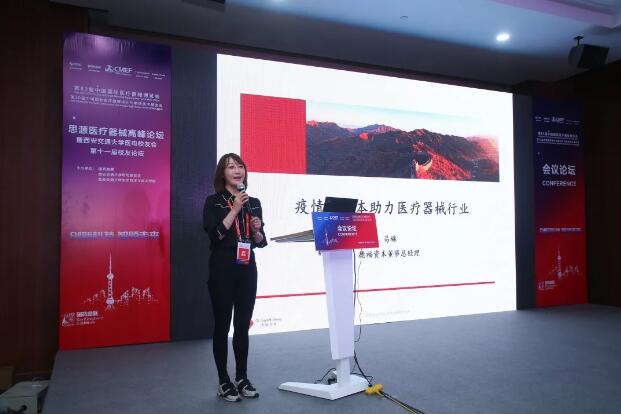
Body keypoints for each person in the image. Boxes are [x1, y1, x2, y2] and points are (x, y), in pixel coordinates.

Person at [203, 153, 267, 402]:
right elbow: (216, 235)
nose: (237, 170)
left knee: (242, 325)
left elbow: (260, 242)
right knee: (222, 325)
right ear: (223, 173)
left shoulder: (254, 202)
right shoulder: (214, 202)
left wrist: (257, 231)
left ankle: (242, 377)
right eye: (231, 167)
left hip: (247, 268)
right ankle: (223, 380)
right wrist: (235, 209)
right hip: (222, 267)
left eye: (240, 166)